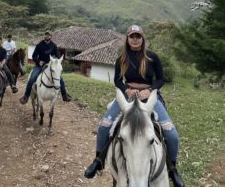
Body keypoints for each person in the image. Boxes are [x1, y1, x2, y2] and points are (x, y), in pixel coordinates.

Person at [84, 25, 185, 187]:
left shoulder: (152, 57)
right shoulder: (122, 58)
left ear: (142, 38)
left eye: (138, 36)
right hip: (127, 96)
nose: (135, 39)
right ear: (128, 39)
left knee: (171, 134)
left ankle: (172, 169)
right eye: (132, 36)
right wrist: (127, 90)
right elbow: (117, 80)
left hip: (149, 96)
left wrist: (150, 90)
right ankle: (98, 160)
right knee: (104, 126)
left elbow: (161, 79)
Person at [19, 31, 71, 104]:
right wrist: (39, 61)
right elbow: (34, 56)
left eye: (48, 35)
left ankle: (64, 95)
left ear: (51, 36)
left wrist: (56, 60)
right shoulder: (39, 45)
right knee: (31, 78)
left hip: (50, 66)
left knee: (60, 79)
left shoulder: (54, 46)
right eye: (46, 35)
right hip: (40, 65)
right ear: (44, 36)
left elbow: (58, 56)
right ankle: (26, 97)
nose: (47, 36)